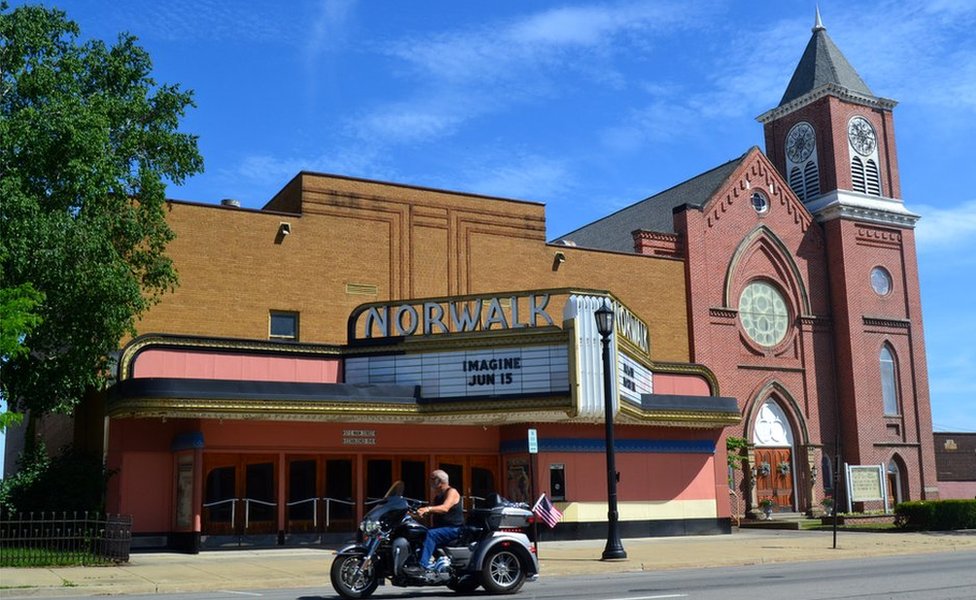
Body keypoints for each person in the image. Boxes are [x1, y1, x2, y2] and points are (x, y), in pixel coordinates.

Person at [408, 469, 463, 574]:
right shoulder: (438, 497)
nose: (430, 481)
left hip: (454, 529)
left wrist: (428, 509)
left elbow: (445, 508)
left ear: (440, 481)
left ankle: (422, 566)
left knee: (431, 534)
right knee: (419, 532)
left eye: (432, 479)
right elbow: (428, 514)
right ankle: (414, 562)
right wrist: (411, 515)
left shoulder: (452, 492)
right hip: (441, 529)